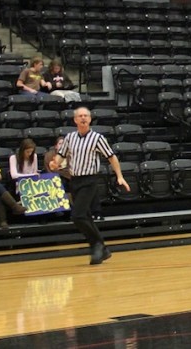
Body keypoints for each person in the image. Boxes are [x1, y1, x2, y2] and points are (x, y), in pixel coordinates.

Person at [57, 107, 130, 265]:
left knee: (78, 215)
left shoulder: (97, 138)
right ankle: (101, 248)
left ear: (90, 119)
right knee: (85, 217)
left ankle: (97, 244)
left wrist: (119, 176)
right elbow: (61, 155)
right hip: (74, 180)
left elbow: (111, 157)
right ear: (75, 120)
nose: (83, 118)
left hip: (89, 180)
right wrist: (54, 163)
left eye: (86, 116)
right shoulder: (69, 137)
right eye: (80, 116)